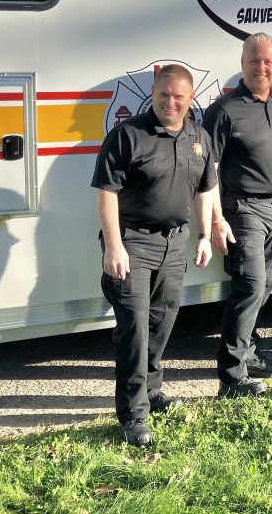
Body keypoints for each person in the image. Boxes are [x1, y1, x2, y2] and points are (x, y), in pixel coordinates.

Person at [92, 64, 216, 446]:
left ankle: (152, 390)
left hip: (175, 242)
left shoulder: (199, 136)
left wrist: (205, 235)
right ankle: (132, 413)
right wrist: (114, 245)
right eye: (164, 95)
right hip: (134, 244)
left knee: (162, 322)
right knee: (134, 328)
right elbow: (107, 192)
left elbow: (205, 189)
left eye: (179, 96)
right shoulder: (127, 135)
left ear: (190, 98)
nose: (171, 102)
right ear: (154, 93)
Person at [202, 33, 272, 396]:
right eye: (254, 61)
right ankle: (231, 378)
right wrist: (215, 219)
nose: (261, 67)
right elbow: (208, 168)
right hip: (242, 210)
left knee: (266, 286)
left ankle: (248, 353)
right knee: (249, 286)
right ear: (242, 63)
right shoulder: (225, 111)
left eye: (268, 61)